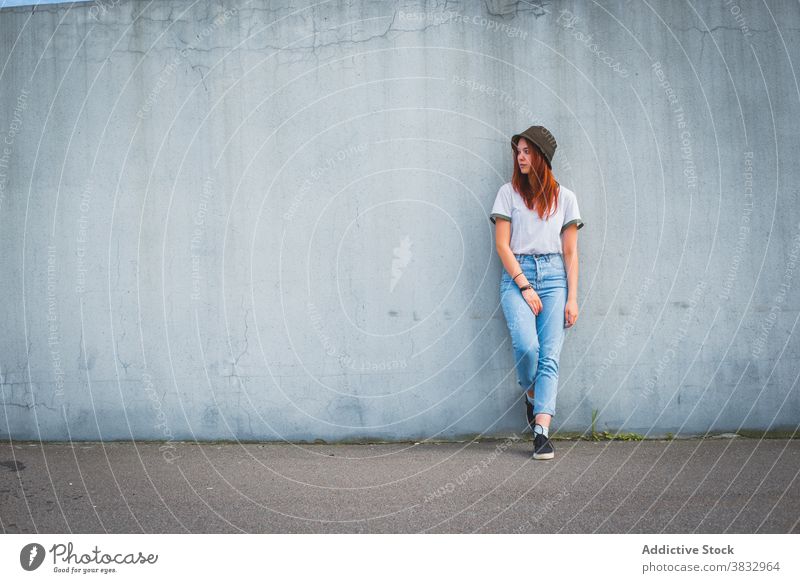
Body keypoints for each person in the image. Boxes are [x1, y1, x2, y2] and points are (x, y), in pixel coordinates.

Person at [489, 126, 584, 460]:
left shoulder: (566, 198)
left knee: (550, 356)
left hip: (556, 277)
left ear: (542, 156)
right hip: (518, 277)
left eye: (527, 151)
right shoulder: (508, 193)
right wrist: (525, 286)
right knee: (527, 347)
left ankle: (541, 431)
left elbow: (570, 253)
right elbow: (502, 245)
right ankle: (531, 395)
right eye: (518, 151)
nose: (520, 157)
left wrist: (572, 297)